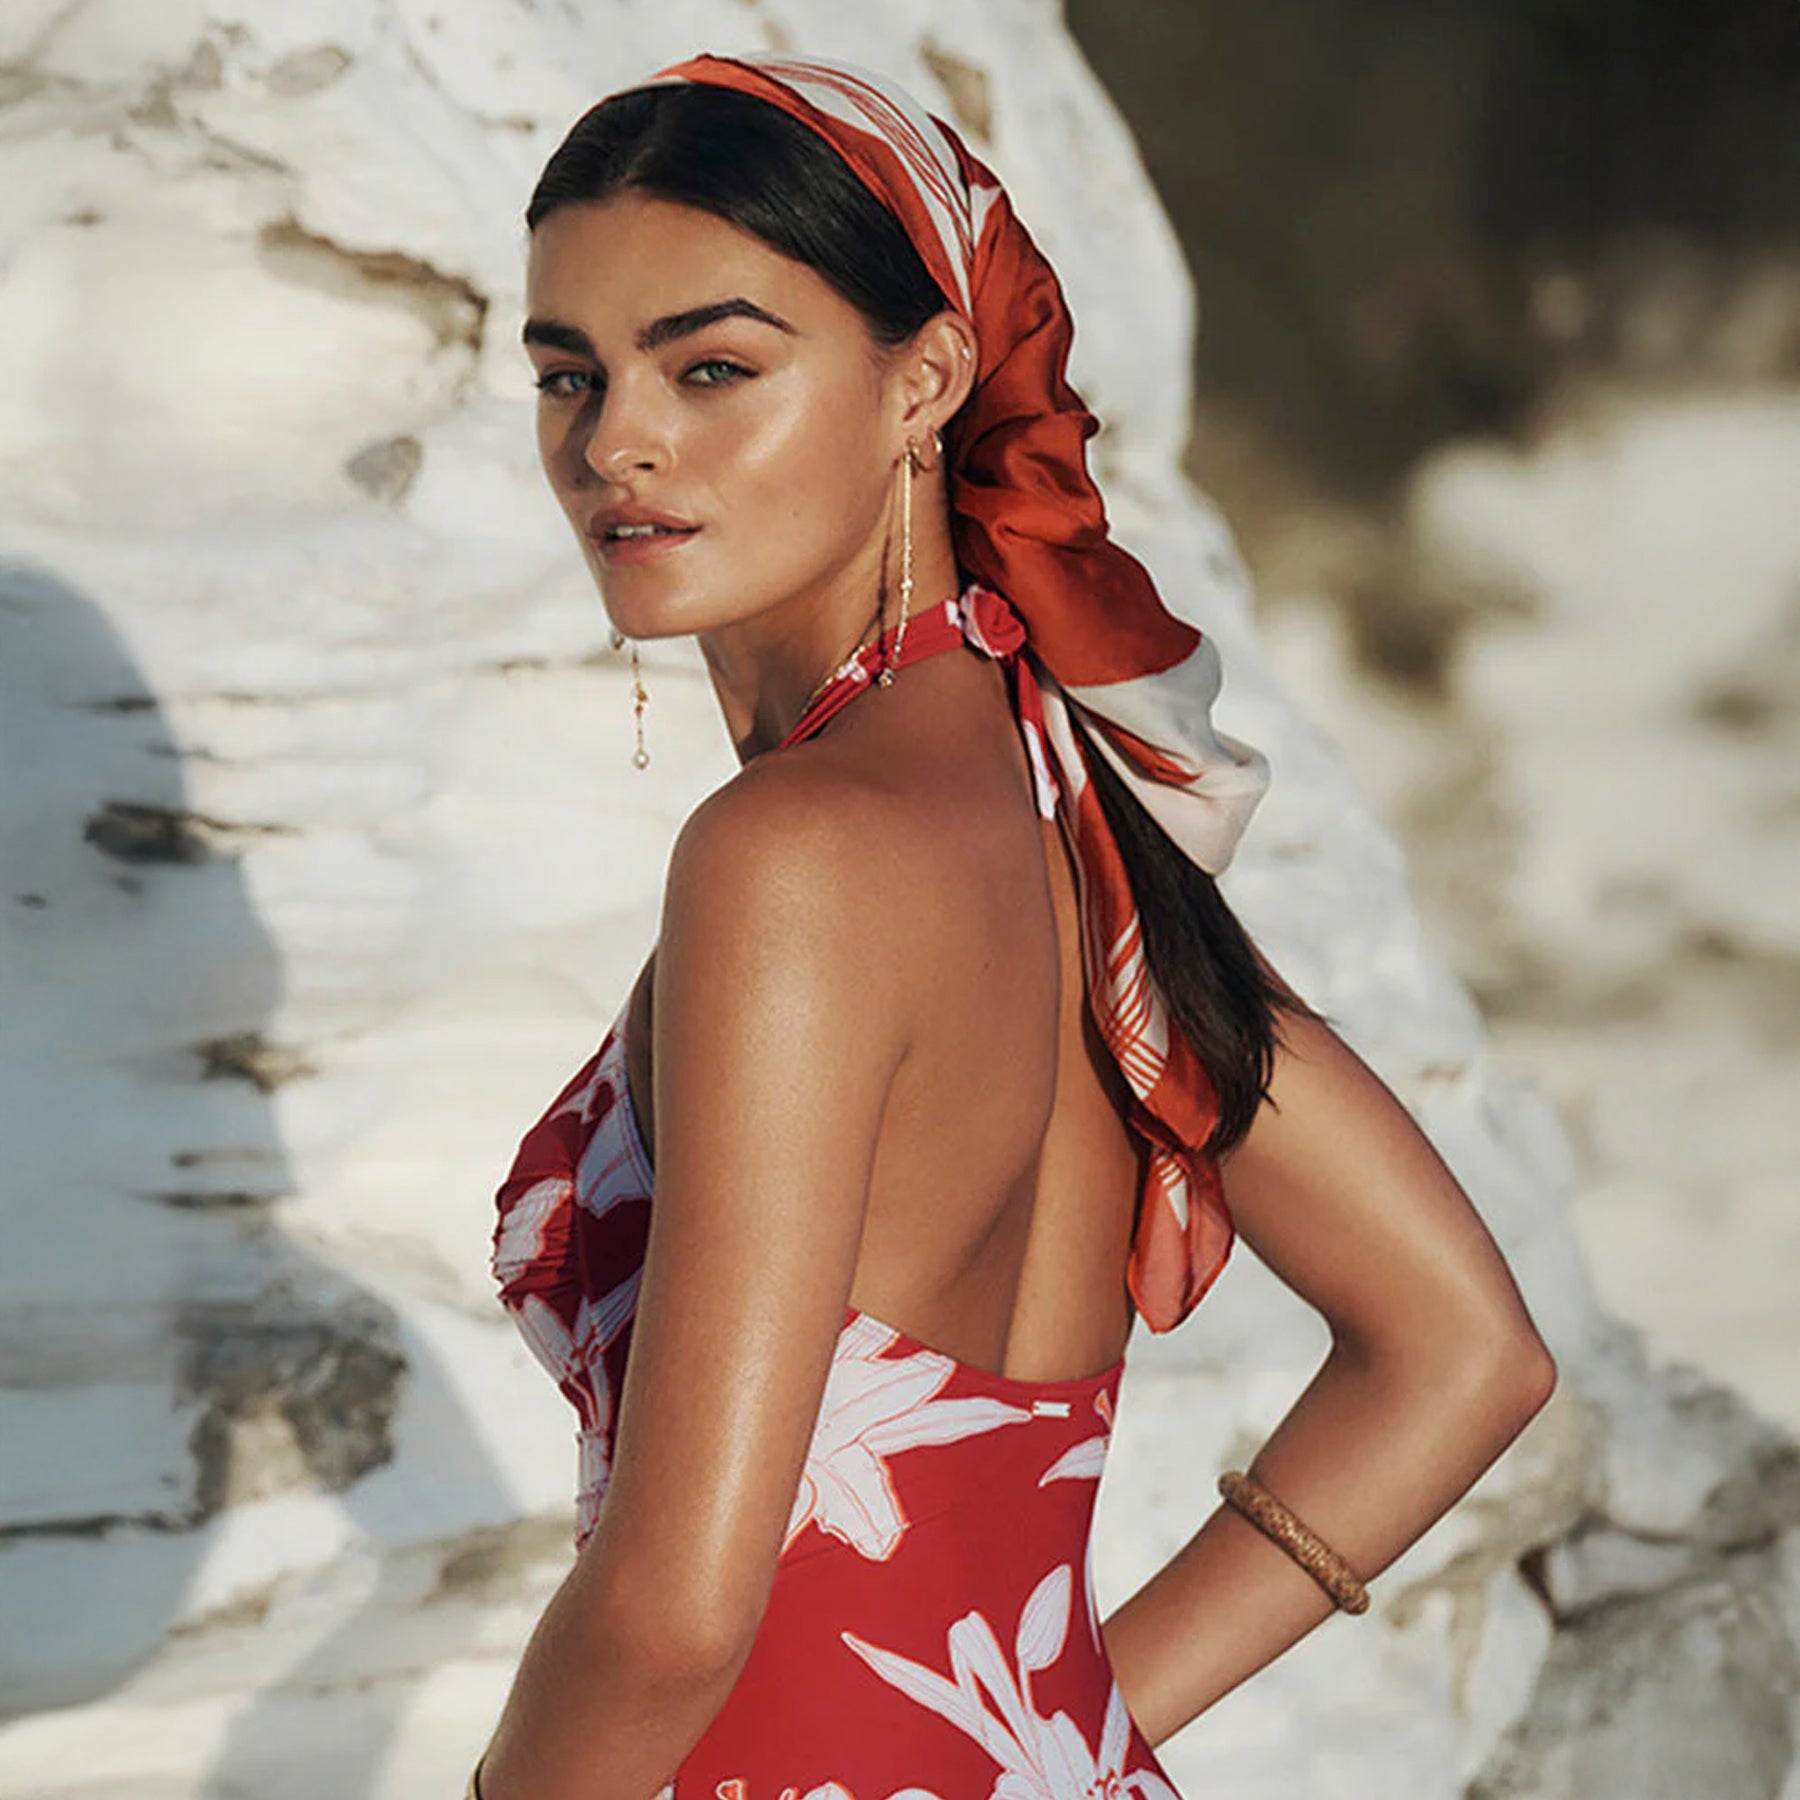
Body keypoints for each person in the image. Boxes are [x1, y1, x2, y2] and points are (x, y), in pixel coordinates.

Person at [475, 50, 1557, 1800]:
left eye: (713, 366)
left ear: (930, 381)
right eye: (566, 374)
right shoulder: (1067, 823)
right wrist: (1046, 1731)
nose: (617, 442)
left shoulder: (793, 859)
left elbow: (677, 1610)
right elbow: (1462, 1352)